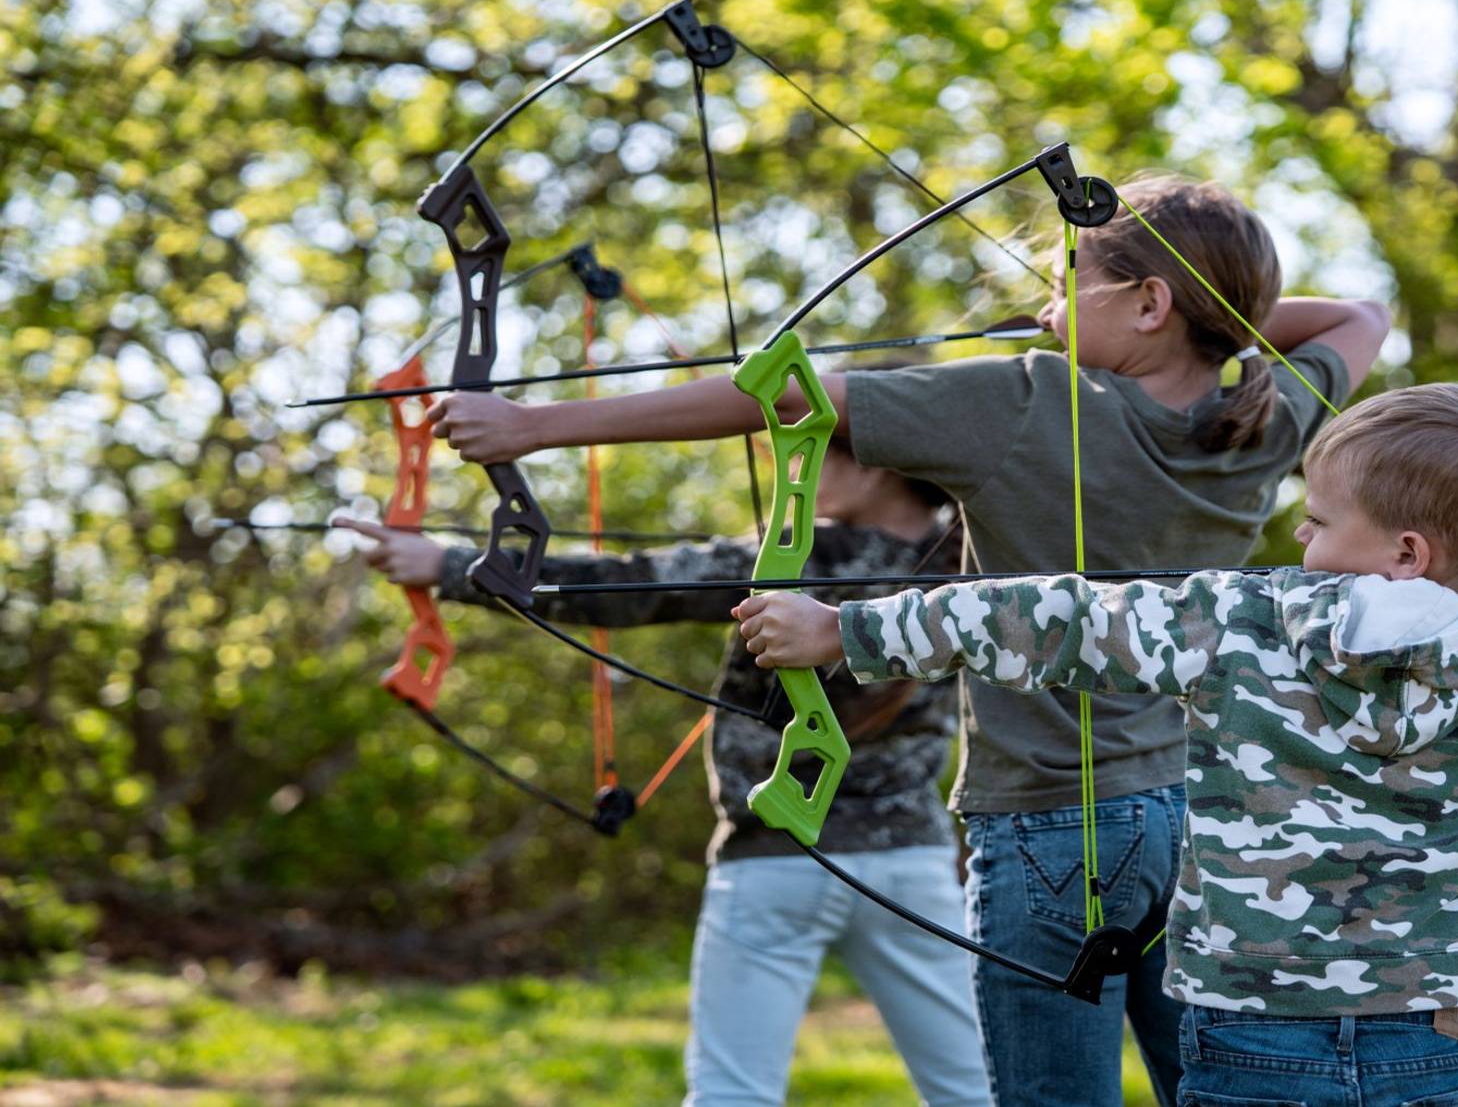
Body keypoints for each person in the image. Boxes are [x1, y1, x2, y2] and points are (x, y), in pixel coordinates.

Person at [426, 175, 1393, 1106]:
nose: (1049, 295)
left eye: (1068, 276)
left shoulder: (1025, 401)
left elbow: (783, 393)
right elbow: (1358, 314)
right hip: (1191, 817)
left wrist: (536, 424)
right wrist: (1215, 314)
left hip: (1049, 823)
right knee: (1213, 1088)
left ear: (1148, 302)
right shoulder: (1262, 422)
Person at [732, 380, 1458, 1107]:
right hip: (1430, 1044)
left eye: (1317, 522)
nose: (1302, 543)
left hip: (1246, 1041)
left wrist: (843, 630)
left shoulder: (1244, 622)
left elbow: (1054, 616)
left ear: (1402, 551)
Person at [335, 439, 991, 1107]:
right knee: (975, 1089)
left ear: (876, 462)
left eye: (814, 452)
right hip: (912, 863)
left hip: (776, 859)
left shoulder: (794, 554)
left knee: (731, 1093)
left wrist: (446, 564)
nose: (796, 468)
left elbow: (628, 585)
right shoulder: (974, 567)